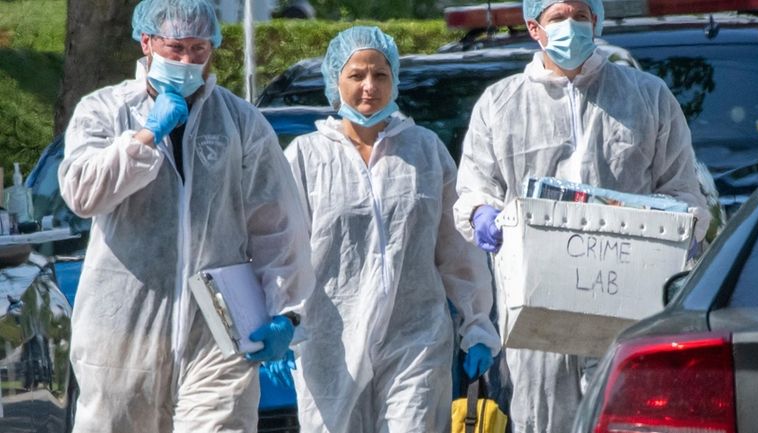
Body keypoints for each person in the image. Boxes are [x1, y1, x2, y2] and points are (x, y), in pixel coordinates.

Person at [453, 1, 712, 432]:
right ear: (535, 28)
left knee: (629, 419)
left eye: (579, 15)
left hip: (627, 308)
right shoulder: (501, 104)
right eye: (557, 18)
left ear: (596, 21)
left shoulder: (647, 96)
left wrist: (679, 230)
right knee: (541, 420)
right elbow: (475, 187)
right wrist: (483, 214)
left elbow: (682, 188)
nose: (569, 26)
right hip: (537, 313)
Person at [57, 0, 314, 431]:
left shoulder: (240, 122)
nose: (187, 60)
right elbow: (83, 194)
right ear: (147, 42)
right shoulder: (103, 110)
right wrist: (144, 137)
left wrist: (286, 311)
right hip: (122, 335)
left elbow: (277, 222)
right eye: (175, 47)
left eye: (199, 48)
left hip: (217, 332)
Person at [276, 26, 501, 433]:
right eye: (356, 75)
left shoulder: (425, 151)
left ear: (394, 79)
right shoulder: (307, 158)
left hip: (416, 337)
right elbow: (283, 247)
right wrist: (283, 315)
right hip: (331, 343)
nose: (369, 87)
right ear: (335, 81)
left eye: (380, 75)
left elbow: (457, 250)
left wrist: (477, 324)